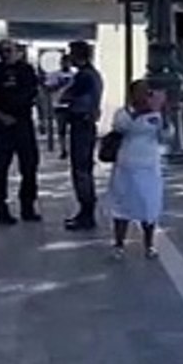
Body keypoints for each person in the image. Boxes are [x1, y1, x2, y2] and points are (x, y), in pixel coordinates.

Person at [106, 80, 171, 259]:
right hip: (126, 165)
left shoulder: (156, 114)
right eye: (141, 92)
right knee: (122, 206)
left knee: (148, 205)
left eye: (147, 92)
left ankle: (149, 245)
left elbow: (166, 136)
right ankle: (119, 244)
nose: (144, 96)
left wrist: (164, 114)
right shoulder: (123, 113)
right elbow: (122, 128)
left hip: (149, 166)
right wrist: (139, 112)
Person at [0, 39, 41, 226]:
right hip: (1, 125)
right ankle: (0, 209)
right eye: (2, 51)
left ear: (17, 52)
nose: (6, 54)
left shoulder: (27, 71)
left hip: (23, 123)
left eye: (9, 50)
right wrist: (0, 116)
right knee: (0, 169)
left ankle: (28, 207)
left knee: (29, 167)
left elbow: (34, 93)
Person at [62, 40, 104, 232]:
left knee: (81, 170)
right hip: (85, 123)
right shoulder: (91, 75)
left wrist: (66, 97)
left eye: (71, 53)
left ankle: (87, 212)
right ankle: (85, 211)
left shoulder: (84, 76)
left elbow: (68, 96)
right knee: (83, 168)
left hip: (82, 123)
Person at [44, 55, 75, 159]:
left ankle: (72, 149)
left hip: (72, 105)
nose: (66, 64)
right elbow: (48, 88)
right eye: (64, 62)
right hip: (59, 105)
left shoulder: (75, 75)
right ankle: (63, 149)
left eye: (68, 62)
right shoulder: (55, 75)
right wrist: (58, 85)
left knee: (74, 130)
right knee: (61, 130)